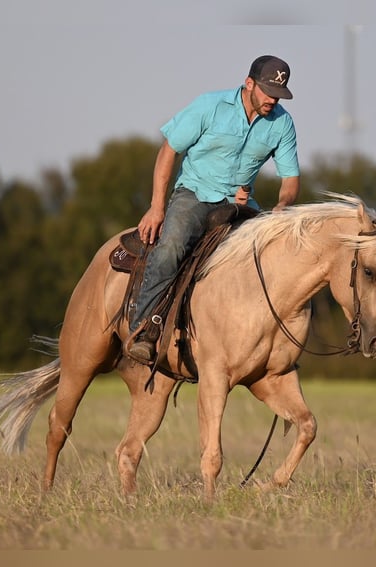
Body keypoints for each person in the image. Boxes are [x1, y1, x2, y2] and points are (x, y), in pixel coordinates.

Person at [127, 54, 301, 362]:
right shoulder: (210, 106)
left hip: (240, 205)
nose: (273, 100)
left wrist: (282, 206)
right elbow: (168, 151)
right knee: (171, 247)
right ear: (249, 83)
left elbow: (290, 179)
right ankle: (144, 329)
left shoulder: (283, 123)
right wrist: (156, 208)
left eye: (279, 95)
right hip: (194, 194)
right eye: (267, 92)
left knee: (273, 259)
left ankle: (261, 344)